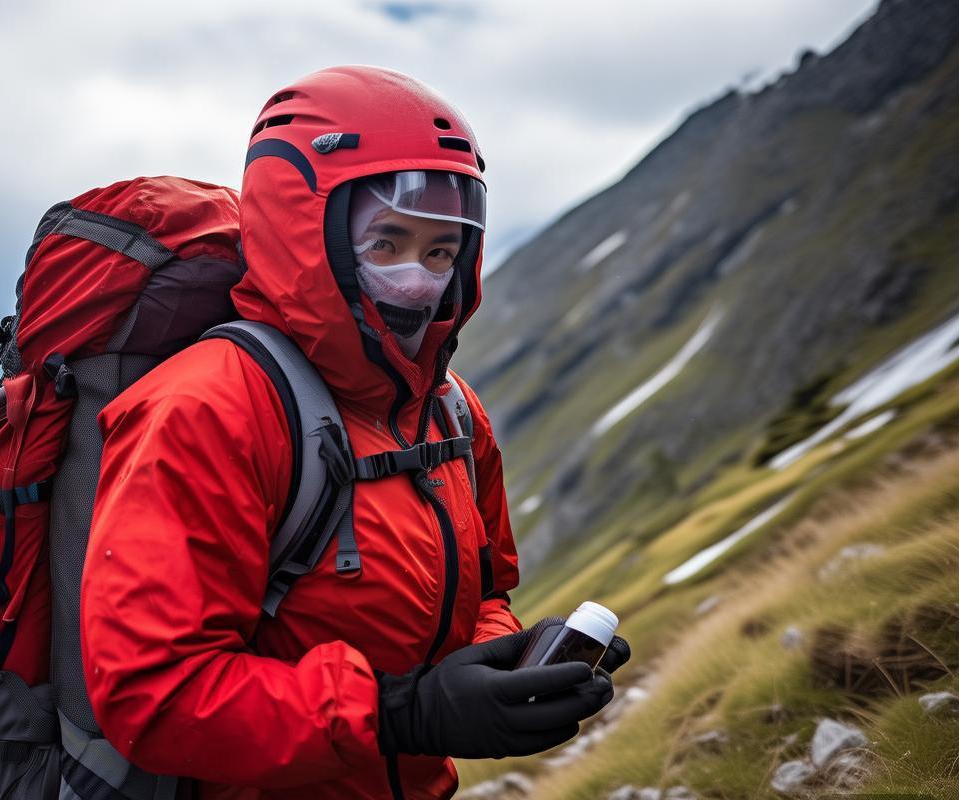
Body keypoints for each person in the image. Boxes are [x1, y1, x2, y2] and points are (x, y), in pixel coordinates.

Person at [81, 65, 628, 800]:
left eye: (441, 252)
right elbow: (157, 697)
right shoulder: (206, 409)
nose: (418, 282)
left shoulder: (451, 411)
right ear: (303, 237)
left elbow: (485, 590)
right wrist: (402, 715)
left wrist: (510, 662)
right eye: (386, 244)